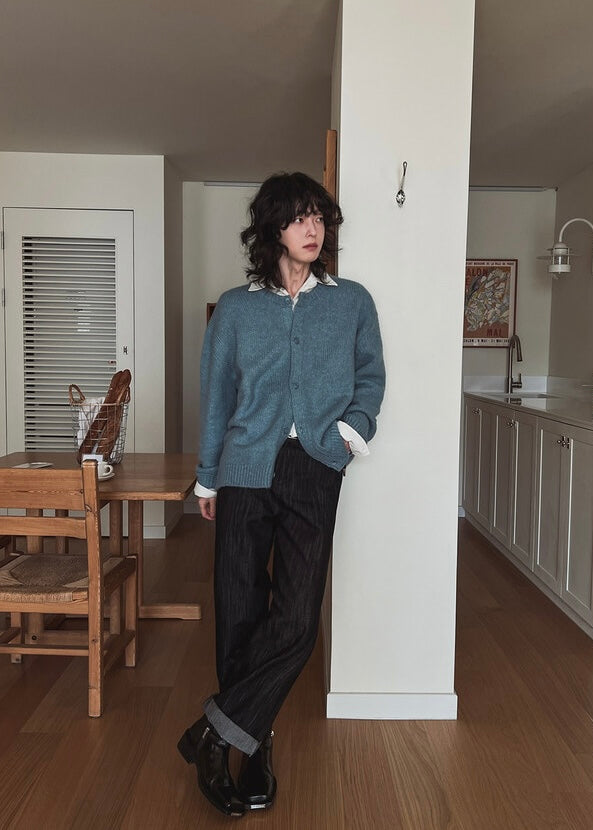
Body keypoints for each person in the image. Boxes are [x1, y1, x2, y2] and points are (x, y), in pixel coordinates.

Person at [178, 171, 385, 817]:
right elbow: (216, 396)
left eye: (319, 217)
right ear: (272, 228)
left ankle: (215, 734)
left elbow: (371, 378)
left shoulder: (352, 301)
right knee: (239, 607)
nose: (313, 228)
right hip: (243, 468)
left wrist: (349, 433)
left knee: (296, 620)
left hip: (314, 465)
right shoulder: (235, 308)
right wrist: (207, 475)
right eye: (299, 217)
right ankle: (253, 742)